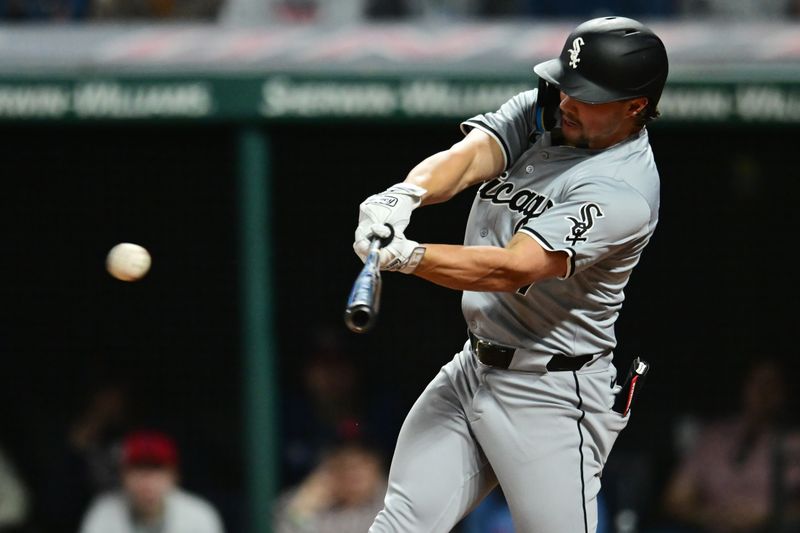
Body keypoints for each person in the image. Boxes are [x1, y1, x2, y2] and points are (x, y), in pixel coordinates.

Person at [351, 15, 668, 533]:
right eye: (567, 84)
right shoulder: (552, 112)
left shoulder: (622, 189)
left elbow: (513, 267)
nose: (566, 100)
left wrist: (408, 256)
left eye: (585, 94)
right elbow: (470, 156)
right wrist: (404, 194)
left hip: (552, 392)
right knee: (401, 524)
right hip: (472, 368)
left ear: (634, 106)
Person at [659, 358, 800, 533]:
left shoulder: (794, 441)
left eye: (771, 384)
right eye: (756, 382)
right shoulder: (714, 436)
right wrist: (714, 516)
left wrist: (770, 516)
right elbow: (675, 499)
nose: (763, 392)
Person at [78, 429, 225, 533]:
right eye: (138, 470)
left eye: (156, 470)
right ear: (123, 476)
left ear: (174, 476)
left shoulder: (198, 516)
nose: (147, 481)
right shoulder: (104, 512)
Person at [272, 441, 388, 533]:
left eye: (361, 464)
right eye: (344, 465)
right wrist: (301, 510)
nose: (353, 473)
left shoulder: (392, 501)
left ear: (376, 467)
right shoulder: (306, 501)